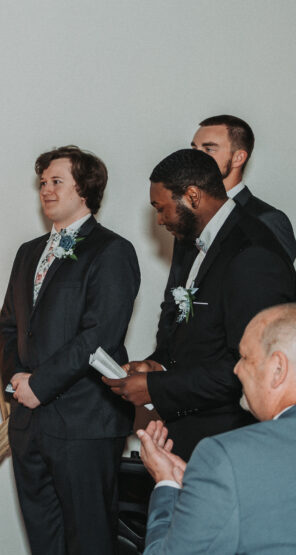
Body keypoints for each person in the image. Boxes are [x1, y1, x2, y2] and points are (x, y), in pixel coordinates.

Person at [105, 149, 295, 459]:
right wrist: (159, 365)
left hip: (229, 440)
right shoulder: (199, 243)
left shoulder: (251, 253)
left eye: (162, 208)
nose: (159, 219)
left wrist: (156, 387)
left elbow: (246, 367)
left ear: (192, 195)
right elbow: (197, 331)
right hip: (193, 432)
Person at [0, 146, 140, 555]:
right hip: (28, 422)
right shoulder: (28, 252)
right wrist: (16, 381)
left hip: (85, 423)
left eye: (56, 181)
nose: (46, 189)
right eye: (42, 183)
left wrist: (42, 383)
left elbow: (100, 335)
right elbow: (7, 326)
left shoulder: (112, 250)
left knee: (90, 541)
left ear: (85, 189)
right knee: (43, 540)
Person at [136, 303, 296, 553]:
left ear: (278, 369)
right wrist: (207, 485)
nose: (236, 370)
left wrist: (168, 484)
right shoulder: (231, 468)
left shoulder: (225, 457)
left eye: (244, 357)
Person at [191, 114, 296, 261]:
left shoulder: (268, 219)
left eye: (209, 149)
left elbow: (277, 280)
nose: (196, 158)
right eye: (194, 149)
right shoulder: (188, 215)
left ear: (238, 158)